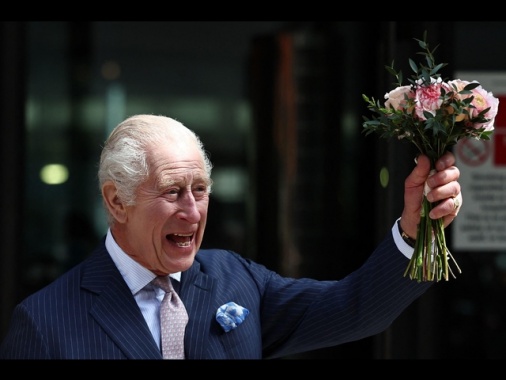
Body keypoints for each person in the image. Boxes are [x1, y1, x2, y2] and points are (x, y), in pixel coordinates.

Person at [0, 114, 463, 359]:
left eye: (200, 190)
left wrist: (415, 234)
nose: (192, 210)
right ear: (117, 202)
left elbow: (356, 308)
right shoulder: (44, 324)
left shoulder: (234, 279)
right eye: (172, 192)